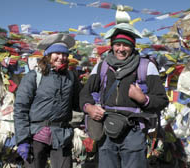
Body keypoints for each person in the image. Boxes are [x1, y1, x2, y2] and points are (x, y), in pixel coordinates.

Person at [79, 23, 169, 168]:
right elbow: (85, 93)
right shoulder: (102, 66)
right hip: (106, 130)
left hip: (133, 131)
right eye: (117, 44)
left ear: (132, 46)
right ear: (112, 45)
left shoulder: (145, 66)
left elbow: (162, 100)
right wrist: (88, 107)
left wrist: (144, 99)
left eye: (125, 45)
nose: (121, 49)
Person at [14, 33, 81, 168]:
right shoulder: (34, 76)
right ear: (48, 55)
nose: (61, 57)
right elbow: (21, 108)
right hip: (36, 135)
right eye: (57, 53)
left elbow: (78, 103)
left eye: (64, 54)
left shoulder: (71, 78)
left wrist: (92, 101)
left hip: (62, 136)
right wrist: (22, 139)